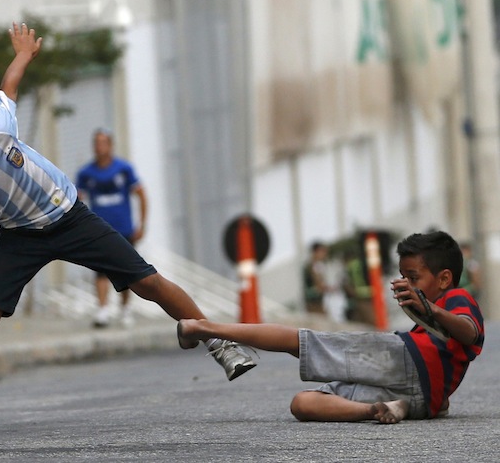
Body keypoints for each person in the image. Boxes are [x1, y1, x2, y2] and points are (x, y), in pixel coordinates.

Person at [0, 23, 257, 433]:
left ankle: (219, 341)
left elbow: (9, 86)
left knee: (147, 282)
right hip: (20, 237)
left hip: (71, 218)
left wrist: (23, 53)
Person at [177, 230, 483, 424]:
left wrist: (430, 309)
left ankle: (207, 328)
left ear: (443, 278)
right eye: (403, 276)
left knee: (300, 341)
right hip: (421, 402)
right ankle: (380, 409)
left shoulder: (456, 297)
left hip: (403, 359)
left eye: (413, 277)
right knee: (303, 404)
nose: (406, 284)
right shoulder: (431, 315)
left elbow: (469, 331)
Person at [76, 128, 147, 328]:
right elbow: (77, 199)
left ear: (110, 145)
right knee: (100, 269)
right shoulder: (86, 173)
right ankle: (102, 309)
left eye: (103, 142)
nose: (99, 147)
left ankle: (125, 309)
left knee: (126, 271)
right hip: (99, 229)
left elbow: (141, 194)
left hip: (123, 229)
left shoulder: (123, 169)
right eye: (96, 143)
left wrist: (142, 224)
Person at [302, 241, 328, 315]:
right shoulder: (311, 266)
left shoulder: (318, 265)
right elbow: (318, 284)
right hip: (313, 302)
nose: (324, 254)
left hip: (318, 300)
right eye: (322, 251)